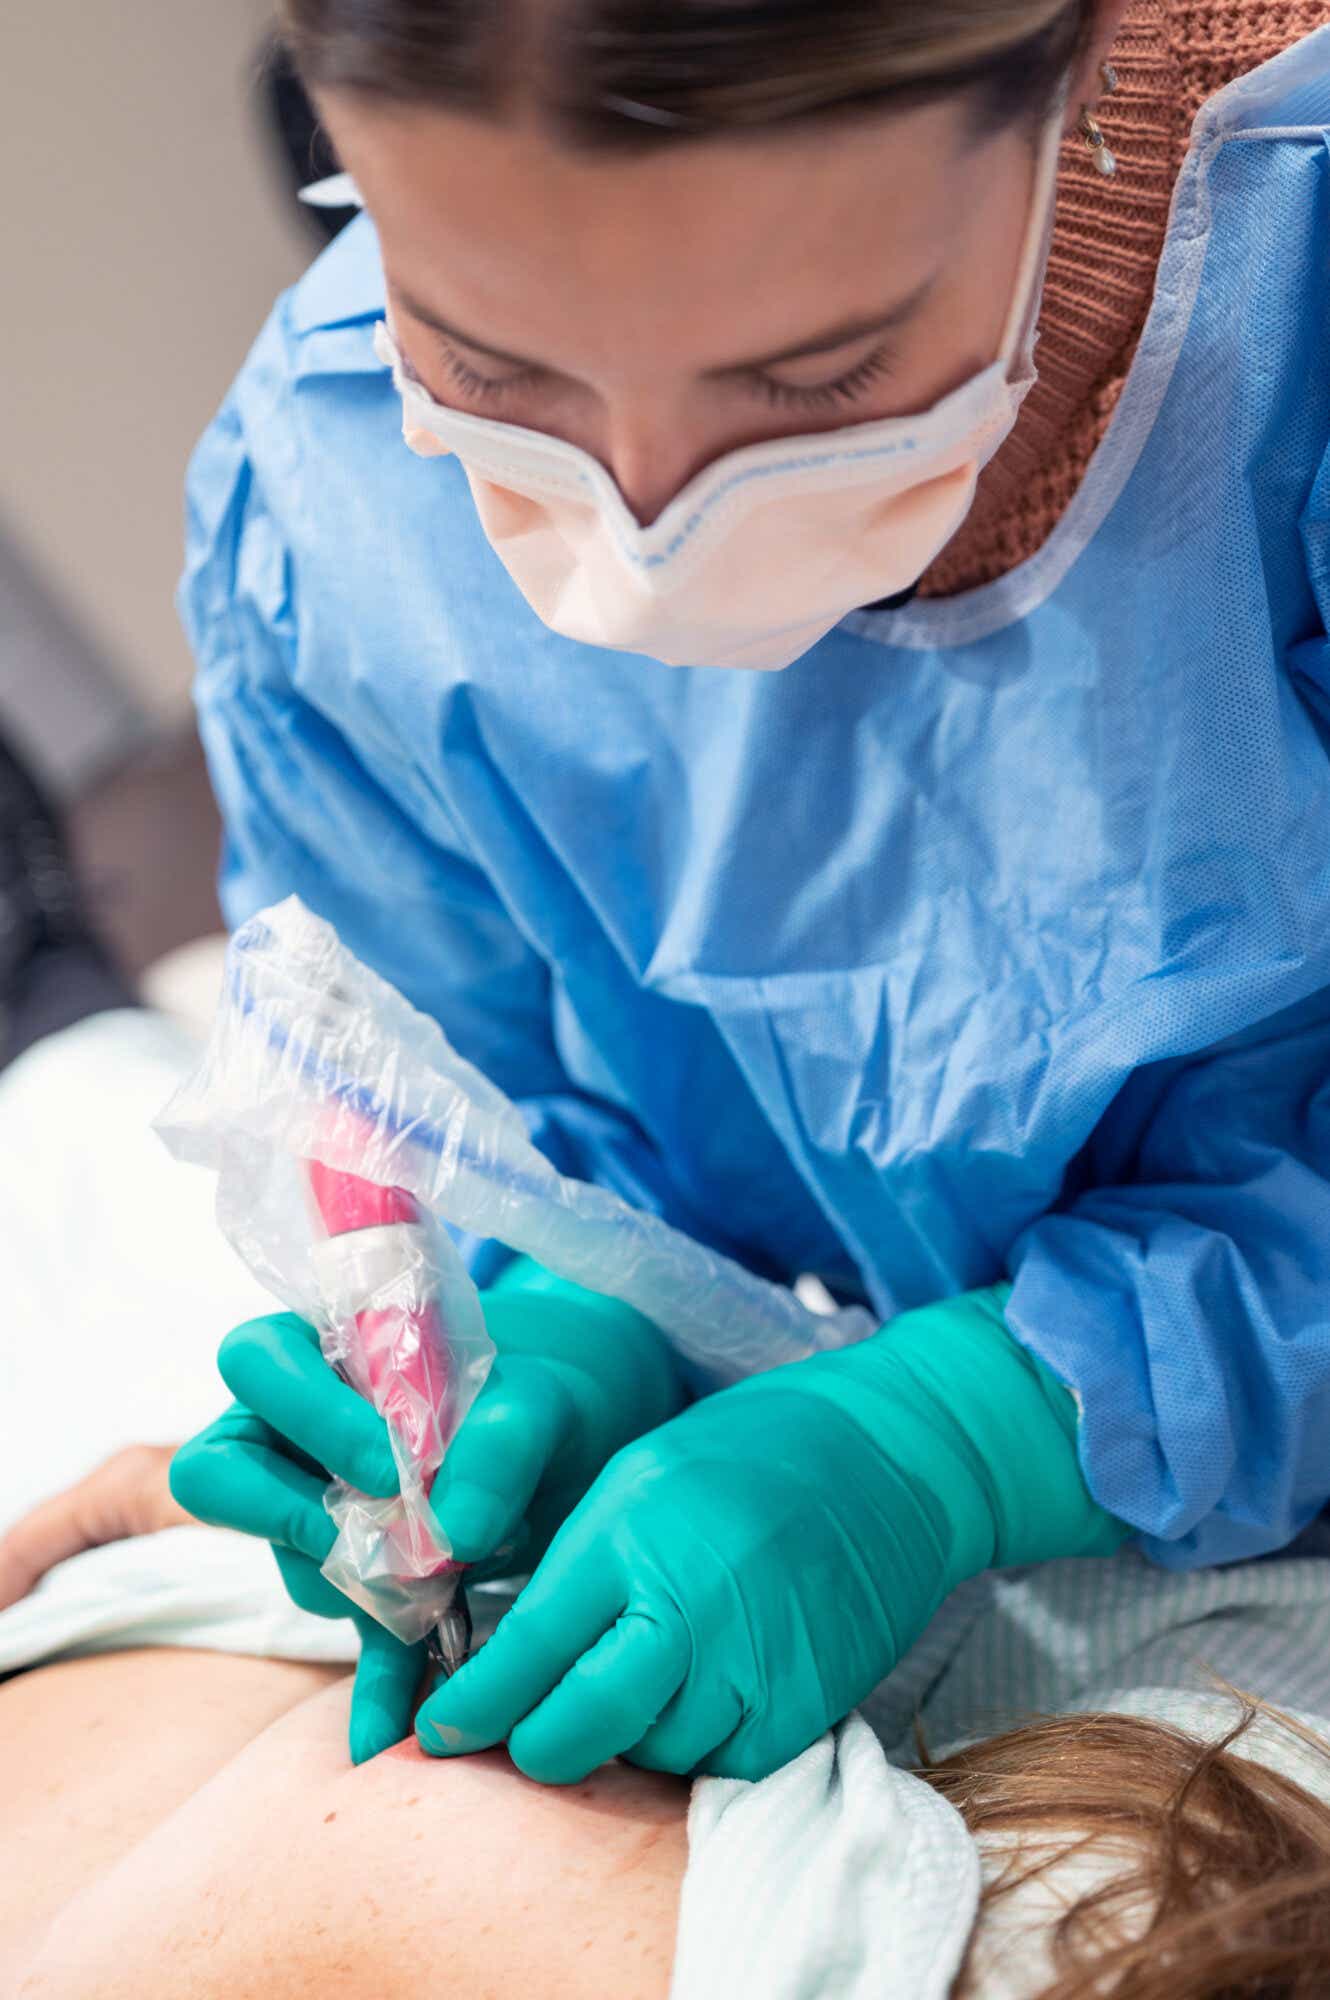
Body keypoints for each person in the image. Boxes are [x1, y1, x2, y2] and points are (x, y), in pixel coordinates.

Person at [171, 0, 1330, 1788]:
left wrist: (972, 1429)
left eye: (814, 381)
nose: (642, 530)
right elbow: (438, 1091)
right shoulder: (332, 484)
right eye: (497, 372)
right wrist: (551, 1314)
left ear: (1078, 67)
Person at [3, 758, 1330, 1996]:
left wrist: (135, 1507)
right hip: (990, 1677)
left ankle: (49, 996)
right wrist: (973, 1430)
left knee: (69, 1111)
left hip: (141, 1602)